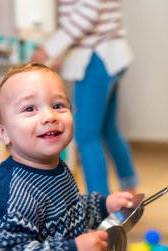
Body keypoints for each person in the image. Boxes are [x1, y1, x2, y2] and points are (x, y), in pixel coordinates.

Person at [0, 63, 134, 251]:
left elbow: (68, 212)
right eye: (30, 108)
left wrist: (104, 205)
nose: (49, 116)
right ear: (3, 133)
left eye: (58, 105)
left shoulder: (57, 168)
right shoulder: (12, 195)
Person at [31, 0, 138, 195]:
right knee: (108, 130)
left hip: (96, 58)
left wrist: (47, 49)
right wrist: (64, 57)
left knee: (86, 135)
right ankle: (129, 190)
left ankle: (99, 208)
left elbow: (89, 12)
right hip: (110, 55)